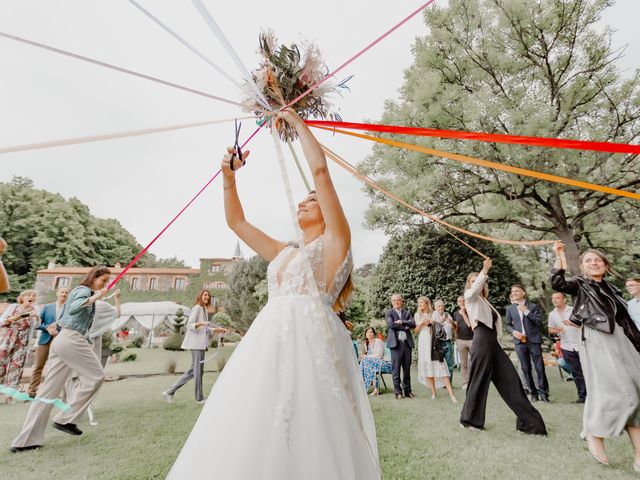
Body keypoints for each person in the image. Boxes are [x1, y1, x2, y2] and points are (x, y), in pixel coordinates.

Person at [167, 109, 380, 479]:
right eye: (302, 200)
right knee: (253, 425)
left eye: (311, 202)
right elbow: (236, 222)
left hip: (311, 345)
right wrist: (228, 177)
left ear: (328, 212)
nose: (301, 203)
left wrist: (296, 122)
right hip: (266, 346)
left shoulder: (334, 244)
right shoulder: (285, 251)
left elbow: (320, 172)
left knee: (308, 426)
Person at [551, 242, 640, 469]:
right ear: (582, 267)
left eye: (598, 260)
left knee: (637, 391)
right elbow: (558, 283)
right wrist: (559, 256)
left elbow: (625, 322)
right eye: (588, 260)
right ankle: (593, 432)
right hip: (599, 338)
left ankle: (639, 454)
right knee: (617, 390)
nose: (594, 263)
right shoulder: (581, 284)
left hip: (622, 340)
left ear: (605, 265)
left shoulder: (614, 290)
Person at [10, 266, 110, 452]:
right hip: (71, 340)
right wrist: (95, 296)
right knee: (96, 376)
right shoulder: (84, 290)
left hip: (62, 340)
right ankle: (66, 418)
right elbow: (73, 309)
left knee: (47, 393)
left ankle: (25, 441)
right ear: (93, 277)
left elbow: (64, 317)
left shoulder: (79, 292)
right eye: (103, 281)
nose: (105, 284)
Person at [460, 258, 546, 435]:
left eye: (481, 280)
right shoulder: (470, 297)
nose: (478, 282)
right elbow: (472, 291)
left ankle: (530, 424)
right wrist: (483, 271)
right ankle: (469, 420)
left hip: (493, 343)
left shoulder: (486, 302)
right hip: (481, 340)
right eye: (474, 280)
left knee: (511, 380)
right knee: (478, 382)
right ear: (471, 284)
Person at [163, 289, 225, 403]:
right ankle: (199, 398)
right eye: (205, 295)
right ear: (200, 296)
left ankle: (169, 392)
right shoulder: (197, 308)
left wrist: (216, 329)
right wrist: (202, 323)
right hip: (196, 344)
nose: (207, 297)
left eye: (208, 295)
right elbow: (190, 325)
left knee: (194, 371)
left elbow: (204, 329)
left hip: (200, 345)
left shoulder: (204, 310)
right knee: (198, 371)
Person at [505, 285, 549, 402]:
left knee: (539, 368)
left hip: (533, 341)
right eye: (512, 291)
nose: (514, 293)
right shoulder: (510, 309)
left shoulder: (533, 306)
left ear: (523, 293)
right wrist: (514, 332)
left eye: (517, 291)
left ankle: (544, 393)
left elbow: (539, 322)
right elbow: (508, 325)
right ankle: (533, 393)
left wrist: (526, 311)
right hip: (519, 342)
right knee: (525, 368)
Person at [28, 287, 69, 398]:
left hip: (61, 341)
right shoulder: (47, 307)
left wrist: (58, 331)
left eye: (66, 293)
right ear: (57, 293)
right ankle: (32, 391)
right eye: (62, 292)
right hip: (45, 340)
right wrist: (47, 328)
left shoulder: (69, 309)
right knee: (38, 366)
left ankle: (51, 392)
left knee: (56, 367)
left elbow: (70, 324)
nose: (64, 294)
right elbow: (38, 324)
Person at [415, 296, 457, 403]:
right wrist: (421, 323)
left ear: (426, 303)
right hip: (423, 341)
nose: (419, 304)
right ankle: (433, 393)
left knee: (441, 365)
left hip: (433, 340)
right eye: (418, 303)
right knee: (428, 366)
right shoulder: (417, 315)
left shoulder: (434, 313)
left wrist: (431, 323)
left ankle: (452, 394)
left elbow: (440, 326)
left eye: (421, 302)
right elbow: (416, 330)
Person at [0, 290, 40, 396]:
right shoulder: (14, 307)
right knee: (1, 362)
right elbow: (2, 321)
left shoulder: (35, 310)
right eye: (29, 295)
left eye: (33, 296)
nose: (31, 297)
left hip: (23, 340)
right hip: (8, 337)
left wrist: (36, 317)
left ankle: (10, 392)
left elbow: (36, 326)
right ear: (22, 297)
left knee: (17, 365)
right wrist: (15, 318)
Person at [547, 292, 585, 403]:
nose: (554, 300)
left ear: (564, 299)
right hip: (566, 346)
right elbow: (550, 329)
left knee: (588, 372)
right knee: (576, 373)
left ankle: (595, 395)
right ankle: (582, 397)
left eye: (557, 298)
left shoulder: (574, 310)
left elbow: (585, 325)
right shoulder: (552, 314)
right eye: (553, 298)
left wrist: (572, 323)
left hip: (581, 345)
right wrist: (555, 330)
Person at [385, 293, 416, 400]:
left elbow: (413, 324)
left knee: (406, 369)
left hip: (407, 344)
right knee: (396, 369)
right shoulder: (389, 312)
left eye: (398, 300)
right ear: (391, 302)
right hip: (395, 344)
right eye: (394, 300)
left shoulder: (406, 313)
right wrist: (405, 327)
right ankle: (398, 392)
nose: (396, 302)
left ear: (401, 301)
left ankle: (408, 391)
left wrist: (402, 321)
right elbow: (391, 325)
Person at [359, 327, 390, 396]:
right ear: (365, 334)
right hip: (372, 365)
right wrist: (364, 356)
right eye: (367, 332)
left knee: (367, 362)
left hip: (383, 364)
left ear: (373, 334)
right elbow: (363, 356)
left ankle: (369, 386)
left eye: (371, 332)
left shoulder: (378, 341)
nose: (369, 334)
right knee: (365, 362)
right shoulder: (365, 344)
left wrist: (366, 357)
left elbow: (379, 355)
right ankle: (374, 387)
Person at [453, 295, 473, 390]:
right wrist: (456, 340)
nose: (462, 303)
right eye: (460, 301)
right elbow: (455, 329)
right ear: (458, 303)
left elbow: (470, 325)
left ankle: (475, 381)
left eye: (463, 301)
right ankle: (465, 382)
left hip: (472, 340)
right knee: (464, 363)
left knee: (475, 361)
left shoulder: (471, 312)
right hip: (461, 340)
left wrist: (464, 313)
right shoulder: (456, 314)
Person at [433, 299, 455, 384]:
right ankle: (441, 383)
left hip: (448, 341)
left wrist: (452, 322)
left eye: (442, 306)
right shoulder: (434, 315)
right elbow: (433, 326)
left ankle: (449, 383)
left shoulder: (447, 314)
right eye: (438, 306)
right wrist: (442, 320)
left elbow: (453, 327)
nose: (440, 307)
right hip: (439, 342)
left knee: (449, 363)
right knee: (440, 363)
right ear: (435, 307)